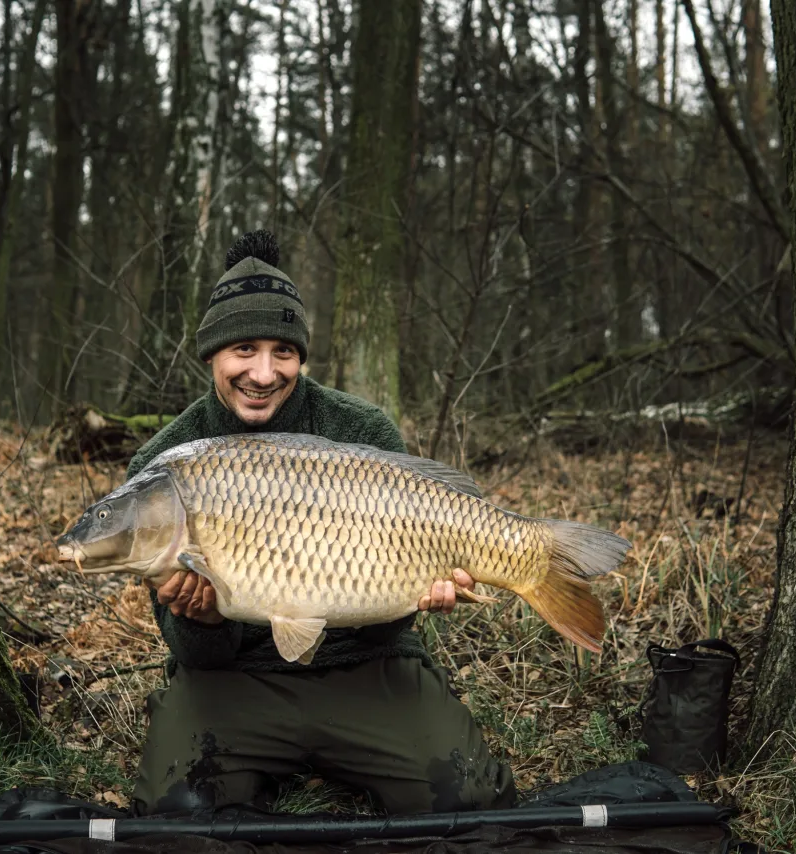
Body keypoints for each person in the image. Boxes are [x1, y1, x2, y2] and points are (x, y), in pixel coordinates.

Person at [126, 230, 515, 817]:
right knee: (177, 809)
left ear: (302, 357)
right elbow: (197, 655)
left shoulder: (361, 429)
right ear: (211, 354)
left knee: (468, 798)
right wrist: (203, 620)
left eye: (283, 352)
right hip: (231, 680)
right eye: (244, 349)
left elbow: (382, 632)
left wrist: (412, 599)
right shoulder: (164, 463)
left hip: (365, 667)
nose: (263, 373)